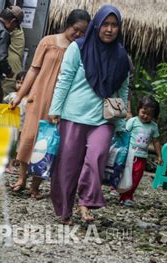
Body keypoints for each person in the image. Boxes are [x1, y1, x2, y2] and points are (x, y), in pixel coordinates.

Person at [48, 5, 131, 224]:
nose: (110, 29)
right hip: (74, 114)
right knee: (68, 164)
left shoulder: (122, 56)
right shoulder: (78, 47)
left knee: (97, 156)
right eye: (105, 24)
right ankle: (65, 211)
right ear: (97, 25)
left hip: (104, 118)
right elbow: (64, 78)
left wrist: (121, 124)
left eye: (114, 25)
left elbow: (123, 90)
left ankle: (85, 201)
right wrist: (55, 109)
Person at [9, 9, 90, 199]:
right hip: (38, 97)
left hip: (61, 103)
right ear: (68, 25)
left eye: (82, 32)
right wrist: (20, 95)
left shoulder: (81, 49)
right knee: (28, 137)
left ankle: (35, 185)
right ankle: (21, 179)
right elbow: (33, 70)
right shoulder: (48, 41)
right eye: (76, 29)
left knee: (47, 143)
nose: (78, 35)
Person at [119, 96, 162, 206]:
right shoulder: (133, 121)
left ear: (154, 116)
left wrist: (159, 156)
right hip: (129, 154)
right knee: (124, 174)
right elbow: (125, 134)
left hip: (142, 156)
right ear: (138, 109)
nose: (145, 116)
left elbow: (156, 141)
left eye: (149, 115)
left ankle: (128, 196)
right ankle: (119, 191)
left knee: (136, 177)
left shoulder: (153, 126)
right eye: (143, 112)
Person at [1, 10, 25, 96]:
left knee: (4, 104)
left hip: (10, 74)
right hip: (12, 72)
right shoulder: (17, 30)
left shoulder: (15, 30)